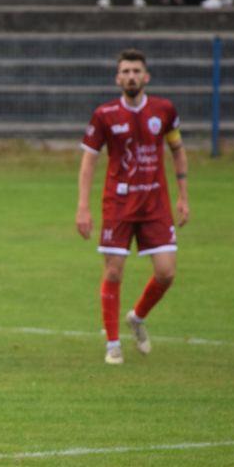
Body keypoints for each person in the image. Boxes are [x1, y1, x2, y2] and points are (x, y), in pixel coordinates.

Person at [76, 48, 189, 365]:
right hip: (119, 204)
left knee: (166, 273)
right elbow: (88, 162)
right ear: (117, 78)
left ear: (146, 76)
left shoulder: (164, 111)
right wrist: (83, 207)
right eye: (125, 71)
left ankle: (137, 317)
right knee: (113, 270)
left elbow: (178, 150)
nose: (131, 76)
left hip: (155, 204)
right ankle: (113, 343)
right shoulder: (105, 115)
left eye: (136, 71)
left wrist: (183, 195)